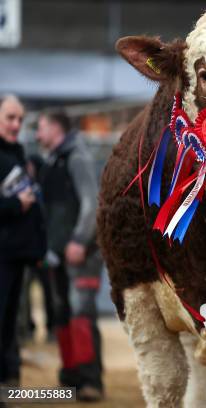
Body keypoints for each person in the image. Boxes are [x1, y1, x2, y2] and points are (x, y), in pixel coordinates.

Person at [36, 111, 104, 401]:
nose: (37, 135)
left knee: (80, 315)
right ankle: (71, 377)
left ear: (55, 128)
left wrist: (78, 240)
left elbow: (92, 204)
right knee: (63, 314)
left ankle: (90, 382)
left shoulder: (77, 157)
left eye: (40, 128)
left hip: (81, 255)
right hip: (58, 254)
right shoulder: (53, 161)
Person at [0, 95, 46, 388]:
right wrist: (16, 204)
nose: (17, 124)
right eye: (10, 118)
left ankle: (7, 381)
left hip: (16, 254)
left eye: (20, 119)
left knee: (8, 324)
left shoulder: (17, 153)